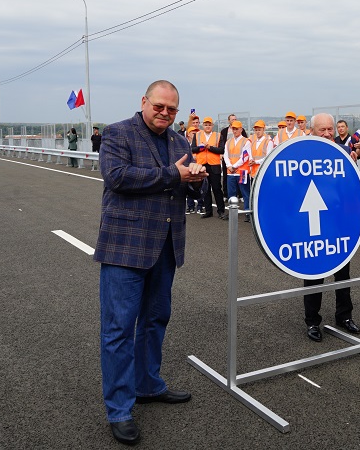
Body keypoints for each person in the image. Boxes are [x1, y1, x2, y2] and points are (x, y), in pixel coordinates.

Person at [94, 80, 207, 445]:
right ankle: (120, 409)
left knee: (156, 319)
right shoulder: (117, 134)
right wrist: (175, 174)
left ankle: (148, 384)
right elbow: (118, 178)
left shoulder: (180, 142)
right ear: (144, 101)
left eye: (172, 109)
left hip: (165, 247)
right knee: (119, 329)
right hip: (125, 247)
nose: (165, 113)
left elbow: (185, 186)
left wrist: (196, 180)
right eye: (159, 106)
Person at [303, 113, 360, 342]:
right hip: (313, 224)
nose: (328, 134)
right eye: (322, 130)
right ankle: (312, 321)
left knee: (343, 273)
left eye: (330, 130)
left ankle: (344, 316)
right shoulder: (301, 154)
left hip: (340, 223)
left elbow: (352, 187)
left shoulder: (345, 153)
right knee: (314, 274)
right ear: (312, 131)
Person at [193, 117, 226, 220]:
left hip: (214, 165)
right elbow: (192, 148)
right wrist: (201, 148)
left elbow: (221, 149)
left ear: (212, 126)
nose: (207, 126)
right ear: (203, 125)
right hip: (202, 165)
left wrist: (210, 147)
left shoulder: (218, 135)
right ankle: (208, 211)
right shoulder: (197, 135)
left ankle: (221, 211)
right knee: (205, 189)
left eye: (209, 124)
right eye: (206, 124)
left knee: (217, 189)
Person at [224, 120, 250, 210]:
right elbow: (226, 155)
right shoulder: (228, 142)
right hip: (230, 172)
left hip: (242, 172)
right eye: (233, 129)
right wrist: (229, 166)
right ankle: (232, 213)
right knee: (231, 194)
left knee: (245, 193)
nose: (235, 131)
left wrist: (233, 166)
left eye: (236, 129)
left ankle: (247, 212)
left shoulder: (246, 141)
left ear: (241, 129)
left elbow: (245, 157)